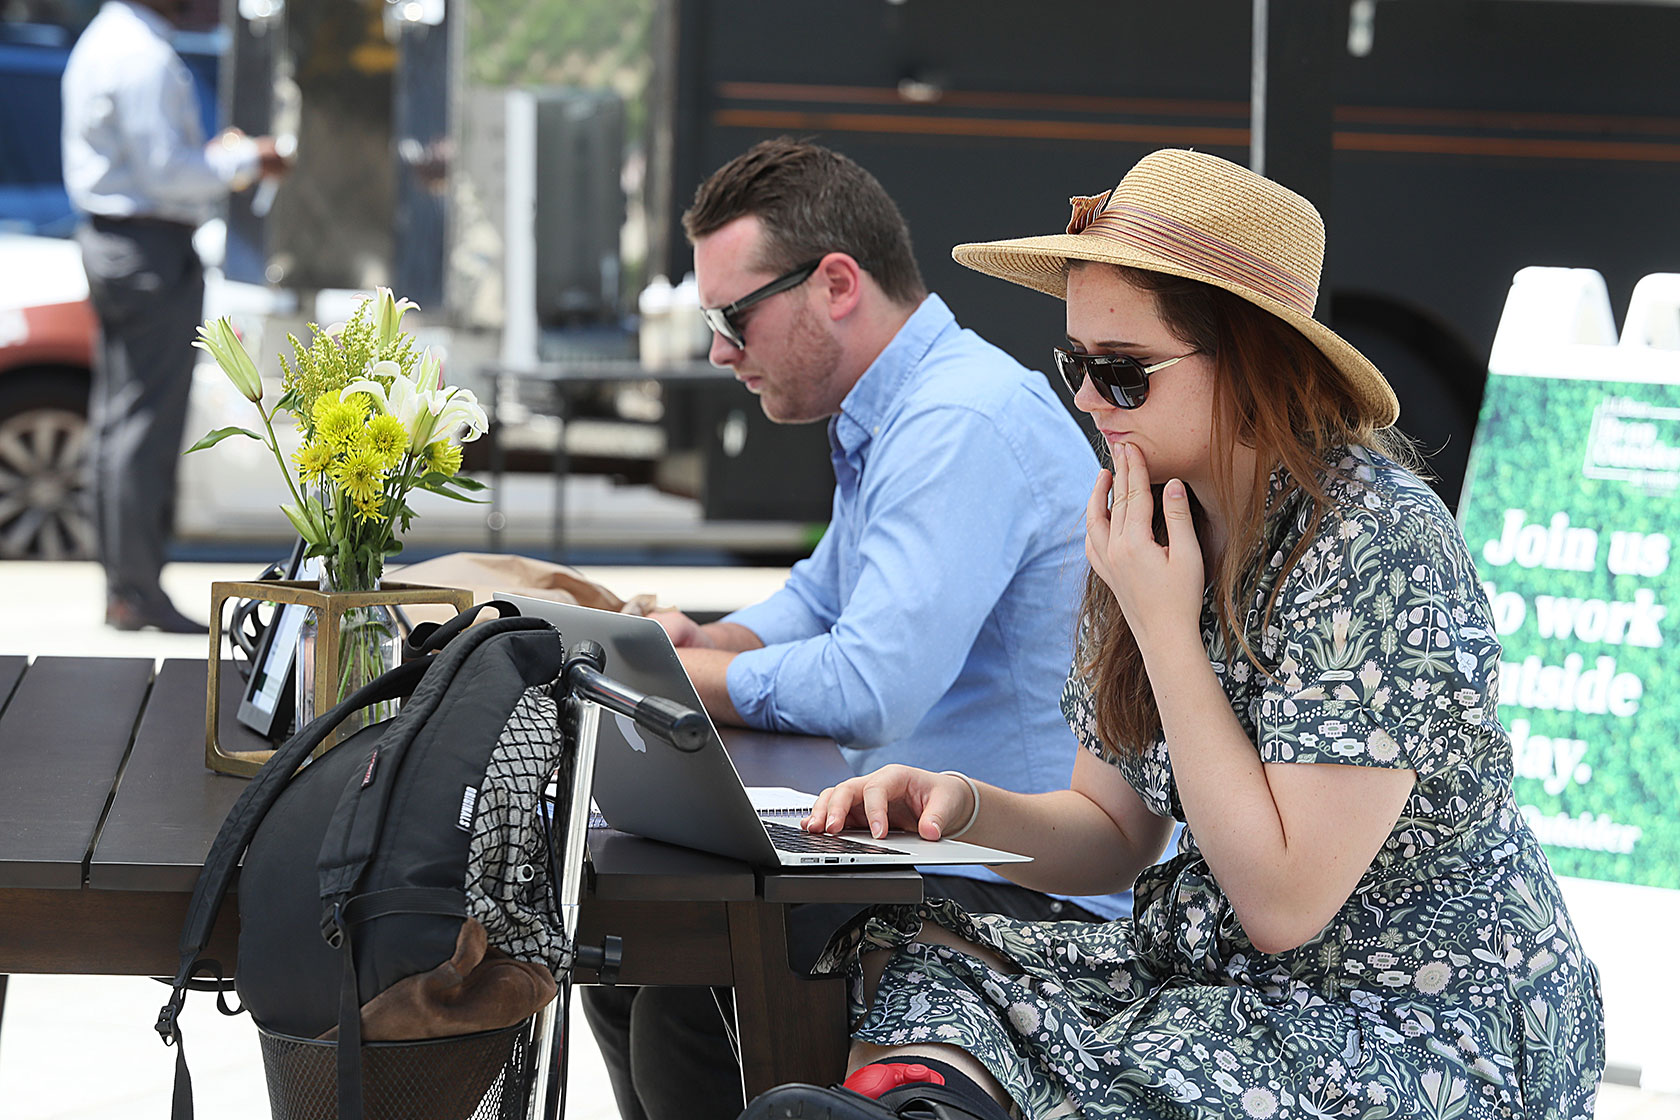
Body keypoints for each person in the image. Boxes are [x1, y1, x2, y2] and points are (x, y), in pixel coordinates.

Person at [743, 148, 1605, 1120]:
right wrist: (962, 806)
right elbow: (1112, 836)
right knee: (931, 960)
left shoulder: (1378, 543)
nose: (1084, 399)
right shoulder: (1148, 507)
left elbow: (1283, 906)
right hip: (1227, 976)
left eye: (1121, 372)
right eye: (1076, 363)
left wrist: (1163, 623)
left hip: (1420, 1011)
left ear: (1249, 360)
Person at [580, 138, 1142, 1120]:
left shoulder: (957, 422)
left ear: (836, 283)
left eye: (732, 316)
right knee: (628, 953)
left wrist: (666, 673)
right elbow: (811, 602)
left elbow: (870, 686)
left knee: (675, 973)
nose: (719, 349)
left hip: (1031, 879)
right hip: (951, 848)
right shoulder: (904, 408)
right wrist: (695, 637)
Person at [62, 0, 288, 632]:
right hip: (148, 246)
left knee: (121, 420)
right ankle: (135, 590)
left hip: (122, 240)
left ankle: (126, 586)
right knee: (142, 424)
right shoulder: (142, 53)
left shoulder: (107, 38)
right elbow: (167, 171)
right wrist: (250, 159)